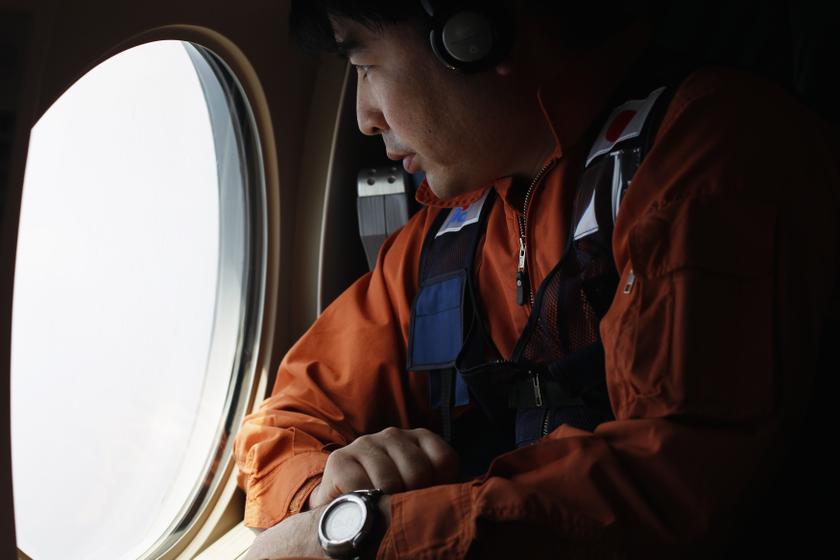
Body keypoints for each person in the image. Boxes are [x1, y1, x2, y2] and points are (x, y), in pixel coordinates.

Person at [235, 1, 840, 558]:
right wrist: (327, 494)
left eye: (366, 62)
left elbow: (671, 485)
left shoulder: (710, 155)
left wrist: (372, 536)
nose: (365, 117)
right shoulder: (439, 240)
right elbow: (284, 427)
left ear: (468, 34)